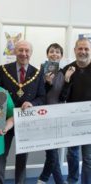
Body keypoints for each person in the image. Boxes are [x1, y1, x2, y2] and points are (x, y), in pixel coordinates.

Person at [0, 40, 46, 184]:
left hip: (25, 120)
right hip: (5, 119)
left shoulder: (37, 72)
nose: (23, 54)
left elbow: (42, 96)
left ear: (31, 53)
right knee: (1, 154)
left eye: (27, 51)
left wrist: (32, 103)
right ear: (14, 52)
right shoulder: (3, 69)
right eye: (20, 50)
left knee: (22, 156)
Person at [60, 37, 91, 184]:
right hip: (71, 120)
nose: (83, 52)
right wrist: (66, 80)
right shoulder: (67, 69)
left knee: (88, 158)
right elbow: (61, 97)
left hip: (90, 121)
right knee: (72, 155)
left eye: (86, 49)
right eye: (80, 48)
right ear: (74, 50)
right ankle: (72, 181)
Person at [37, 43, 65, 184]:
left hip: (58, 117)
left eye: (58, 52)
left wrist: (67, 80)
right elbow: (39, 95)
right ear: (47, 54)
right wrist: (47, 83)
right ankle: (45, 179)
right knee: (52, 154)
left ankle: (46, 179)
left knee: (53, 154)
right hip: (43, 116)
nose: (54, 54)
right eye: (52, 51)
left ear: (61, 56)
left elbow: (63, 97)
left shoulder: (63, 73)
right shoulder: (39, 72)